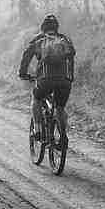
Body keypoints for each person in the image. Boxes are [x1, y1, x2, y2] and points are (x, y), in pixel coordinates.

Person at [18, 13, 76, 147]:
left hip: (45, 79)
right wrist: (70, 76)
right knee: (60, 108)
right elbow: (72, 56)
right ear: (57, 27)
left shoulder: (39, 39)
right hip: (64, 80)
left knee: (37, 99)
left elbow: (26, 56)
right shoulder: (64, 39)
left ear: (43, 27)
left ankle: (38, 130)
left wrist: (23, 73)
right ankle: (63, 137)